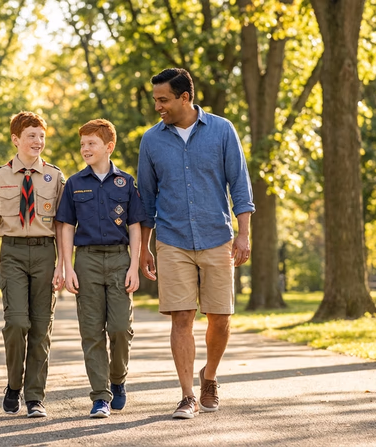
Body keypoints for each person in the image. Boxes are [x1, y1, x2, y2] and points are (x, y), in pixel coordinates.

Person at [137, 68, 255, 419]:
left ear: (184, 98)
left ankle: (210, 377)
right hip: (171, 239)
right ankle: (187, 394)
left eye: (163, 99)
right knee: (182, 317)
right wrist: (144, 247)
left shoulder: (222, 130)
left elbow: (240, 185)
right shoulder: (151, 140)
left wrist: (244, 233)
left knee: (219, 317)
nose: (158, 106)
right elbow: (146, 198)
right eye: (156, 99)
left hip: (216, 236)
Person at [55, 119, 146, 418]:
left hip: (120, 259)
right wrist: (68, 267)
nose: (85, 149)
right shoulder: (74, 184)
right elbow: (66, 227)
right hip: (88, 260)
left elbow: (135, 226)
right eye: (82, 144)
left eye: (91, 143)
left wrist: (134, 265)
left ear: (108, 147)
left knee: (120, 328)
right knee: (92, 331)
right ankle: (100, 397)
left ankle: (117, 380)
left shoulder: (127, 182)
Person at [0, 111, 65, 418]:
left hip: (45, 252)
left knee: (41, 328)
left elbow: (62, 226)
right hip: (12, 252)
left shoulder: (55, 177)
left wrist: (63, 265)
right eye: (31, 136)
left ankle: (35, 397)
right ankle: (14, 384)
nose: (38, 141)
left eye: (42, 136)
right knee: (17, 323)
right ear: (16, 139)